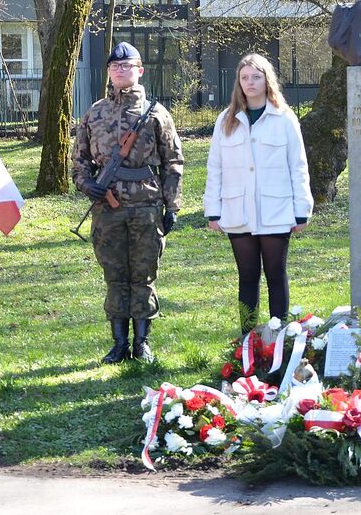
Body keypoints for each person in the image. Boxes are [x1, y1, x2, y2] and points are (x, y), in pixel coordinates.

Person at [71, 41, 184, 364]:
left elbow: (173, 162)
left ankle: (142, 343)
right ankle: (119, 343)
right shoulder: (94, 113)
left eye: (127, 66)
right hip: (107, 210)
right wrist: (87, 185)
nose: (121, 71)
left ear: (139, 71)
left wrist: (171, 206)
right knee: (115, 274)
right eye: (115, 67)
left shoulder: (156, 114)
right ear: (109, 72)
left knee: (144, 274)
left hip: (146, 206)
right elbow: (79, 160)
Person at [203, 53, 313, 334]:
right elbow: (215, 167)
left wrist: (302, 208)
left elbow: (297, 165)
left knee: (276, 274)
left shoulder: (284, 118)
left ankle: (280, 338)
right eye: (244, 78)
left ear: (267, 81)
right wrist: (212, 209)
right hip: (237, 209)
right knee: (247, 277)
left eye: (256, 77)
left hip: (276, 209)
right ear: (238, 83)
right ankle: (248, 341)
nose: (250, 83)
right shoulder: (225, 120)